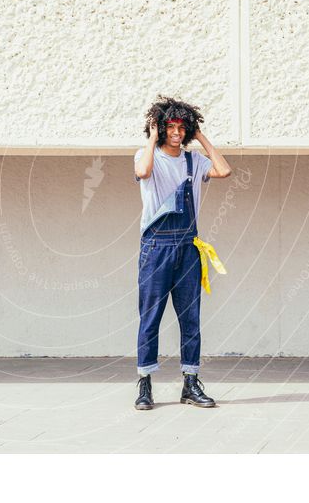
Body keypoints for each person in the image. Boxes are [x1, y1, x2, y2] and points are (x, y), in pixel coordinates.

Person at [133, 96, 232, 410]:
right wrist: (151, 138)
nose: (176, 132)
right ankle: (145, 385)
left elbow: (224, 170)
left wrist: (201, 136)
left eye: (182, 127)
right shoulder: (146, 155)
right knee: (150, 319)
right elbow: (144, 172)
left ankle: (190, 383)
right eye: (170, 126)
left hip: (188, 248)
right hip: (155, 249)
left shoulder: (195, 161)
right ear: (161, 127)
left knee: (191, 319)